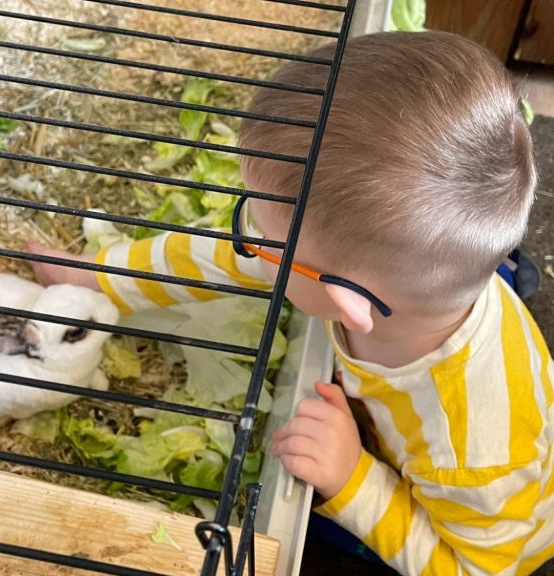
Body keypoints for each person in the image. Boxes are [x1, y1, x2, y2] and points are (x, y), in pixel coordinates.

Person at [27, 31, 554, 575]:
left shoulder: (473, 453)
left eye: (260, 232)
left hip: (489, 533)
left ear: (346, 303)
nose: (246, 240)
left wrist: (355, 480)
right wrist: (100, 277)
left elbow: (478, 569)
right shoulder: (393, 278)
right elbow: (226, 257)